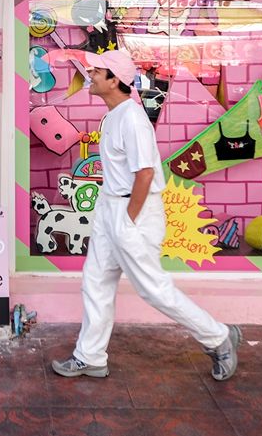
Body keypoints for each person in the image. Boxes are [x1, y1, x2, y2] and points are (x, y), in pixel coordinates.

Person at [51, 49, 242, 381]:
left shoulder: (133, 119)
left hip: (134, 210)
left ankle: (218, 336)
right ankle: (90, 356)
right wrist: (112, 215)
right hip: (111, 206)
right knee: (96, 282)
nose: (90, 75)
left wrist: (127, 220)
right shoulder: (114, 115)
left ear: (115, 80)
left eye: (97, 72)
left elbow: (145, 174)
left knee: (153, 289)